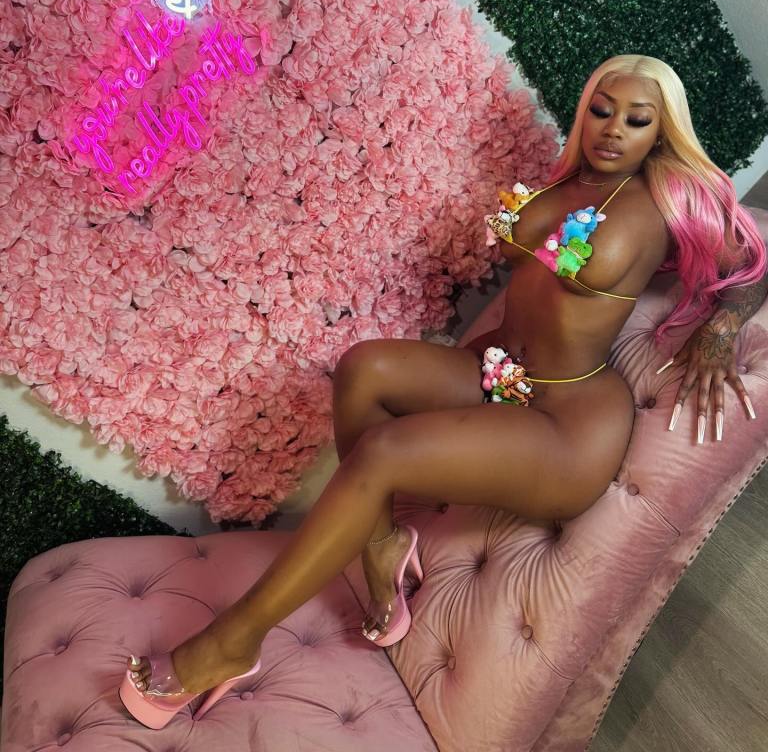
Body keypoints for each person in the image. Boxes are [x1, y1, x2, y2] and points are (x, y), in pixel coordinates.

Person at [119, 54, 767, 728]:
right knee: (363, 368)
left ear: (661, 132)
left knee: (384, 453)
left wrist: (719, 333)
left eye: (637, 120)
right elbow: (529, 250)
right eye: (602, 111)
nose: (613, 129)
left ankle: (234, 639)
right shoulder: (569, 182)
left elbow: (750, 261)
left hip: (564, 423)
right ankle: (380, 543)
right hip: (497, 375)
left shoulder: (665, 200)